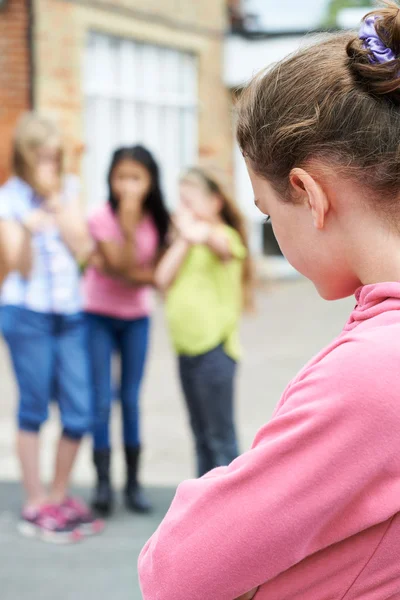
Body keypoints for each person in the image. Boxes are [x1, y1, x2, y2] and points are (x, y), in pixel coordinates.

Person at [138, 3, 400, 598]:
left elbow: (176, 571)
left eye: (266, 211)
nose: (270, 229)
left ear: (309, 195)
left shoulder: (374, 372)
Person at [0, 112, 102, 543]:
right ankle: (35, 503)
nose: (50, 166)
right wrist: (26, 227)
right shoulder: (9, 198)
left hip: (71, 314)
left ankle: (58, 496)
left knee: (80, 410)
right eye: (42, 158)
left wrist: (61, 212)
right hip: (28, 314)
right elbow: (16, 266)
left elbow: (85, 250)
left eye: (54, 158)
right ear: (25, 158)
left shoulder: (70, 189)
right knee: (34, 408)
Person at [83, 145, 169, 516]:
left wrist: (126, 271)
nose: (128, 187)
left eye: (136, 178)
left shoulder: (161, 220)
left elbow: (154, 276)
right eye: (121, 178)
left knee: (130, 399)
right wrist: (129, 223)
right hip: (98, 315)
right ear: (110, 180)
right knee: (101, 400)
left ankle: (133, 483)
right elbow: (125, 264)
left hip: (136, 318)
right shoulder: (101, 217)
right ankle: (103, 484)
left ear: (150, 181)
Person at [155, 168, 252, 478]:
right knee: (199, 435)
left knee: (220, 437)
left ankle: (235, 509)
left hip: (215, 352)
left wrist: (201, 233)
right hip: (186, 351)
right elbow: (161, 278)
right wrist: (185, 238)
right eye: (180, 202)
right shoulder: (185, 241)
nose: (184, 210)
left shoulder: (223, 235)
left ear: (215, 202)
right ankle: (204, 504)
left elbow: (224, 248)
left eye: (190, 202)